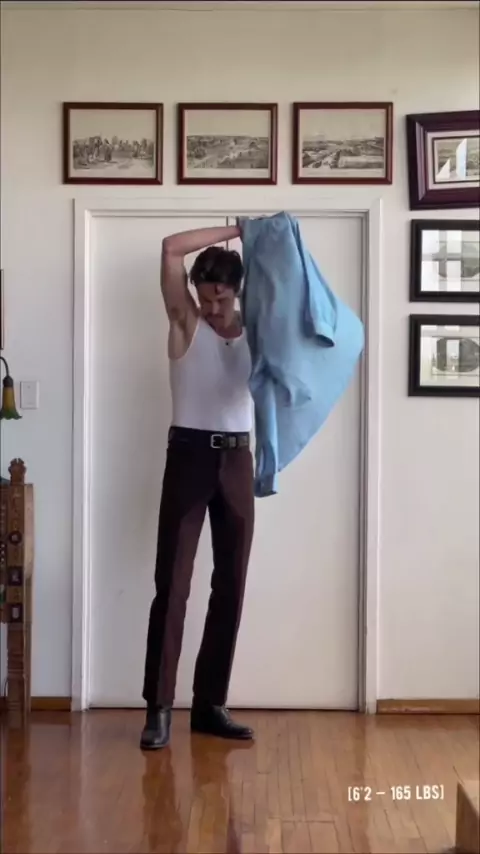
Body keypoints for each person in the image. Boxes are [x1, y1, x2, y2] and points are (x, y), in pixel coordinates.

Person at [140, 225, 255, 751]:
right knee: (174, 585)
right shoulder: (185, 321)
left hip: (238, 460)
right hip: (188, 456)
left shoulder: (258, 327)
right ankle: (159, 708)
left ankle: (210, 704)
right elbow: (171, 248)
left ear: (237, 292)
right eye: (205, 298)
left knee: (231, 584)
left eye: (221, 299)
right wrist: (239, 227)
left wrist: (260, 242)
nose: (211, 309)